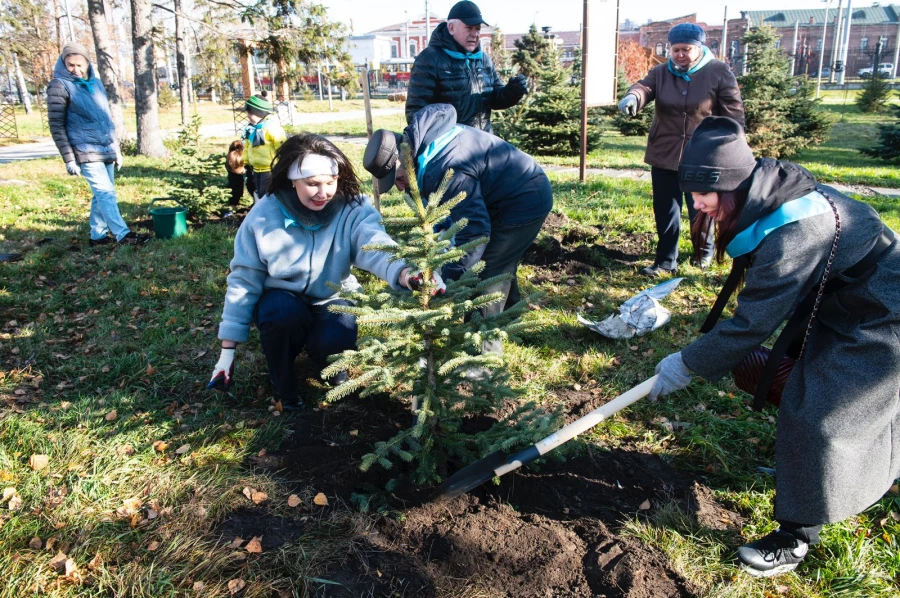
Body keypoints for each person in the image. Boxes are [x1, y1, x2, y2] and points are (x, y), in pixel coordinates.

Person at [649, 116, 899, 577]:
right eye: (694, 194)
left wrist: (685, 364)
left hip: (883, 310)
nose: (698, 205)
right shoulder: (763, 192)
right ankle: (818, 475)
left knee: (819, 415)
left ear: (732, 184)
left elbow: (751, 326)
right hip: (841, 301)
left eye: (705, 195)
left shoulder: (793, 233)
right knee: (816, 399)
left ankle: (796, 538)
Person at [210, 134, 430, 405]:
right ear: (293, 180)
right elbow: (244, 278)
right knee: (280, 315)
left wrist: (404, 271)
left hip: (331, 296)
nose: (323, 193)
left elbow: (373, 242)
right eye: (312, 184)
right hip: (282, 299)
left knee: (340, 327)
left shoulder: (353, 207)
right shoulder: (265, 213)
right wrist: (227, 352)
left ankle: (333, 367)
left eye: (330, 182)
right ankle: (284, 384)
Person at [363, 103, 553, 356]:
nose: (400, 189)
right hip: (498, 197)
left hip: (524, 200)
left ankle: (482, 358)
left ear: (403, 158)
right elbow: (451, 210)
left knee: (485, 274)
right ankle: (509, 322)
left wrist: (450, 280)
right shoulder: (426, 146)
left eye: (398, 179)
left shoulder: (445, 167)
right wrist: (441, 246)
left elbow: (473, 234)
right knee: (498, 263)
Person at [618, 23, 744, 276]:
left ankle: (702, 253)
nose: (679, 55)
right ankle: (665, 260)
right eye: (675, 50)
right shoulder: (661, 71)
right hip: (665, 152)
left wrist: (730, 146)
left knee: (702, 208)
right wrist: (633, 97)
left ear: (699, 48)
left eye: (686, 49)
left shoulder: (718, 71)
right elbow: (645, 88)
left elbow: (734, 114)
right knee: (665, 208)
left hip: (703, 155)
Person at [47, 42, 148, 246]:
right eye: (70, 65)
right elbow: (56, 126)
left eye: (79, 65)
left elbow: (106, 118)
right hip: (84, 149)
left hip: (105, 147)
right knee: (106, 192)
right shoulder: (59, 85)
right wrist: (69, 159)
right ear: (63, 64)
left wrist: (116, 148)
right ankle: (123, 234)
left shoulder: (96, 83)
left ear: (87, 63)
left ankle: (98, 235)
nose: (75, 70)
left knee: (100, 194)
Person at [405, 0, 527, 133]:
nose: (475, 34)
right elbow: (416, 113)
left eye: (478, 29)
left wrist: (513, 91)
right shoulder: (430, 59)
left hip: (483, 142)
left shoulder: (483, 59)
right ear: (451, 28)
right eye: (469, 28)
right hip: (449, 148)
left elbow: (495, 99)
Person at [241, 95, 286, 201]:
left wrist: (281, 165)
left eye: (251, 113)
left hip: (270, 170)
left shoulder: (272, 128)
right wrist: (247, 163)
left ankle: (271, 215)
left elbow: (282, 148)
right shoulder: (251, 130)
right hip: (256, 169)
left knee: (269, 195)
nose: (248, 116)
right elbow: (247, 147)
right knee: (260, 194)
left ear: (259, 113)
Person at [225, 140, 246, 210]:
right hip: (234, 179)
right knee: (235, 189)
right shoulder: (233, 157)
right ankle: (232, 206)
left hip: (236, 177)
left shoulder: (239, 156)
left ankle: (233, 205)